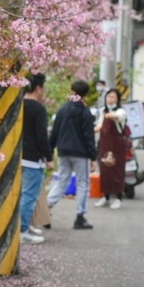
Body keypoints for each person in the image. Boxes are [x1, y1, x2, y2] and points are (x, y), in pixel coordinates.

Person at [47, 79, 97, 230]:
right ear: (86, 94)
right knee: (82, 183)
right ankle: (80, 217)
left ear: (72, 90)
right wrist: (93, 157)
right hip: (80, 152)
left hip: (63, 150)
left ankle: (45, 208)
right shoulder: (85, 112)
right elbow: (89, 136)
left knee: (62, 180)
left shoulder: (63, 110)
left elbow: (54, 132)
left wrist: (50, 151)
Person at [19, 73, 53, 244]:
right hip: (33, 158)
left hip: (19, 156)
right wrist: (49, 157)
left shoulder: (18, 106)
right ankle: (22, 231)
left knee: (22, 194)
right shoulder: (38, 109)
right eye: (43, 88)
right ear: (38, 88)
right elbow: (41, 137)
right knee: (29, 195)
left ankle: (25, 226)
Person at [95, 88, 128, 209]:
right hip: (104, 144)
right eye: (108, 97)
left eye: (113, 97)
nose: (110, 99)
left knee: (117, 170)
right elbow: (99, 125)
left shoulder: (121, 111)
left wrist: (110, 115)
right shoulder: (103, 111)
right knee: (104, 170)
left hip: (116, 146)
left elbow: (118, 116)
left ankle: (119, 198)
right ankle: (106, 196)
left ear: (117, 99)